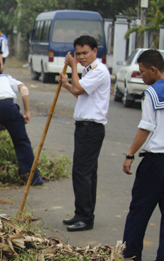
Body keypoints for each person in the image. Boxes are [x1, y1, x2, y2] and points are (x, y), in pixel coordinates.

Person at [59, 35, 110, 232]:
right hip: (84, 127)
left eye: (85, 53)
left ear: (95, 51)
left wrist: (72, 67)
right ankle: (81, 213)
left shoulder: (98, 70)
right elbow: (79, 92)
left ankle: (85, 217)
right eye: (78, 54)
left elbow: (79, 89)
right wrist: (66, 84)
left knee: (82, 173)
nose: (81, 57)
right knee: (86, 173)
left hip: (91, 128)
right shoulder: (89, 71)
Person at [122, 49, 164, 261]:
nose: (141, 76)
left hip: (156, 160)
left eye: (142, 71)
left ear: (153, 69)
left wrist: (130, 154)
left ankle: (130, 257)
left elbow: (146, 127)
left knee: (139, 210)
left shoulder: (152, 93)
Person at [0, 68, 44, 186]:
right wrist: (27, 112)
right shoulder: (5, 77)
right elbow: (24, 90)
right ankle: (33, 177)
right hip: (10, 106)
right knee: (22, 141)